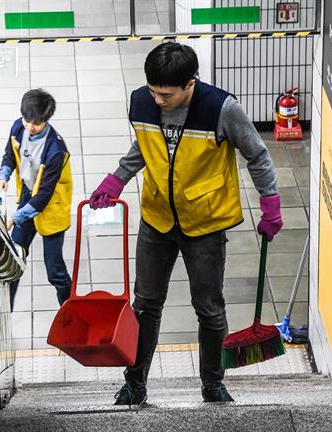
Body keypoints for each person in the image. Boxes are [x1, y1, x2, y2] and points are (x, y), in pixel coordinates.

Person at [89, 42, 283, 405]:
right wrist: (117, 178)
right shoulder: (142, 102)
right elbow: (146, 147)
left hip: (206, 222)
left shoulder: (221, 109)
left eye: (167, 94)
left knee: (209, 308)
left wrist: (270, 202)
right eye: (153, 91)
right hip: (157, 218)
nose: (158, 100)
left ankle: (212, 383)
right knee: (145, 304)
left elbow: (256, 154)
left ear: (190, 84)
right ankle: (135, 384)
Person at [0, 89, 73, 311]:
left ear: (46, 120)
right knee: (14, 261)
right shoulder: (18, 128)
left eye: (36, 123)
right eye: (27, 120)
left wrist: (15, 218)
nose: (30, 126)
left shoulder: (56, 150)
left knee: (55, 270)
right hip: (28, 197)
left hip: (51, 207)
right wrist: (4, 176)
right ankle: (4, 310)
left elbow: (45, 196)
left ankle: (70, 311)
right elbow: (9, 155)